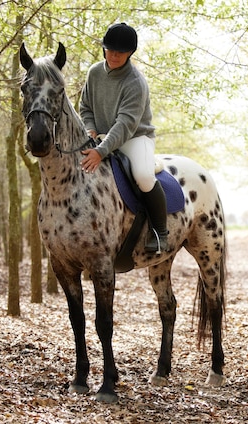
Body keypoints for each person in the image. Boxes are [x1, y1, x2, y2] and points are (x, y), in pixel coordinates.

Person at [79, 22, 168, 253]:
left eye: (120, 52)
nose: (114, 55)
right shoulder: (94, 72)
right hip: (99, 136)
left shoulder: (135, 82)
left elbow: (125, 124)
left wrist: (101, 151)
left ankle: (159, 232)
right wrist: (89, 130)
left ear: (130, 54)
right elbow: (85, 107)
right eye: (110, 50)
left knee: (144, 176)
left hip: (135, 138)